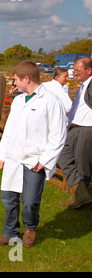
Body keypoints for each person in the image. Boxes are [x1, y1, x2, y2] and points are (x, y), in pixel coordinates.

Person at [0, 61, 67, 248]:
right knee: (9, 198)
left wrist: (45, 159)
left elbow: (58, 134)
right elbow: (10, 130)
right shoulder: (18, 101)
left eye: (16, 80)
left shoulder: (51, 101)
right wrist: (2, 155)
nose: (14, 84)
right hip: (14, 157)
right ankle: (9, 233)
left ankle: (30, 228)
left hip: (35, 160)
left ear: (27, 78)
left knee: (30, 201)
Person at [57, 58, 92, 209]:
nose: (75, 73)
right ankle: (81, 193)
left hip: (86, 129)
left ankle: (78, 197)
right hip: (75, 128)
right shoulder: (84, 85)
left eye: (78, 70)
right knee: (62, 154)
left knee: (82, 165)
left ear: (89, 70)